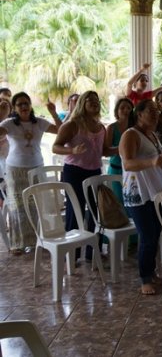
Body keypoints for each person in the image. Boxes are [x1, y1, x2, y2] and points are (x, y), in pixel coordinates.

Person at [52, 91, 116, 262]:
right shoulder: (72, 125)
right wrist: (72, 150)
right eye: (90, 100)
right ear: (82, 103)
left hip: (94, 172)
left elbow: (104, 151)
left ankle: (92, 252)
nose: (95, 102)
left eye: (97, 100)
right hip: (74, 172)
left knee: (97, 212)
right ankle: (72, 255)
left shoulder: (101, 127)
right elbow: (55, 146)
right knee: (76, 211)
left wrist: (120, 149)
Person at [120, 99, 162, 295]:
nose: (156, 114)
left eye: (156, 111)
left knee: (155, 233)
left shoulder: (153, 135)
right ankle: (145, 278)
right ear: (139, 114)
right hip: (139, 192)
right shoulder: (130, 134)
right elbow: (128, 164)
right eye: (151, 111)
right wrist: (152, 162)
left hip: (155, 191)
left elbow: (156, 161)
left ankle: (151, 270)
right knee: (147, 235)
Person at [0, 92, 61, 255]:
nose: (23, 106)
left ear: (30, 105)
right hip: (16, 170)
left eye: (26, 103)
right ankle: (18, 243)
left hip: (37, 168)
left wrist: (54, 113)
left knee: (37, 206)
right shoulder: (9, 123)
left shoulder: (39, 122)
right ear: (14, 108)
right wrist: (2, 115)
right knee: (18, 207)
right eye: (19, 104)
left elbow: (61, 131)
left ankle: (39, 241)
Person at [105, 98, 134, 203]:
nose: (126, 110)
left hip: (132, 170)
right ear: (117, 111)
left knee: (131, 201)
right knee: (118, 201)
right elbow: (106, 151)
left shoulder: (135, 128)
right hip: (116, 169)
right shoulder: (111, 128)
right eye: (122, 108)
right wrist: (122, 149)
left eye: (129, 108)